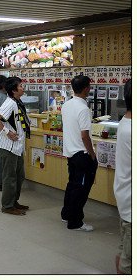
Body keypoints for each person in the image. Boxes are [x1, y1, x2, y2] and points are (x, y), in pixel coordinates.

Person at [61, 75, 98, 231]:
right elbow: (85, 136)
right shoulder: (83, 108)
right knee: (81, 190)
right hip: (82, 155)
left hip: (70, 153)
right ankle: (75, 222)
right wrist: (92, 155)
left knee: (72, 185)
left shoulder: (66, 105)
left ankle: (66, 214)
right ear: (86, 89)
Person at [0, 76, 30, 216]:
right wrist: (7, 132)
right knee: (10, 177)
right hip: (8, 146)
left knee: (19, 176)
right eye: (20, 86)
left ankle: (14, 201)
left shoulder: (17, 102)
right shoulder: (10, 103)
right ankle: (7, 206)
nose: (22, 87)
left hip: (17, 147)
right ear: (14, 90)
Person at [114, 79, 131, 274]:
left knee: (124, 249)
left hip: (125, 197)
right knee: (129, 261)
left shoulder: (125, 122)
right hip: (130, 203)